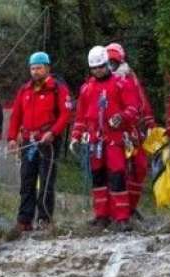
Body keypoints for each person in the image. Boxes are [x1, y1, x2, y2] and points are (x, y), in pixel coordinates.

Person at [71, 46, 139, 231]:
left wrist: (122, 117)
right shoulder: (87, 88)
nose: (98, 71)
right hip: (95, 140)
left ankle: (122, 217)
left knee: (117, 176)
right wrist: (75, 136)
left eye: (100, 66)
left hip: (115, 139)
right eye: (94, 68)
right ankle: (101, 215)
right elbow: (81, 116)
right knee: (98, 178)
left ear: (107, 64)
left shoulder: (121, 83)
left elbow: (133, 108)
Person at [7, 51, 72, 231]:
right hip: (28, 141)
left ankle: (44, 218)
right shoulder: (25, 90)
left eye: (39, 68)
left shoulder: (57, 88)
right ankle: (24, 219)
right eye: (32, 68)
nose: (35, 72)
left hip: (48, 142)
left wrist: (53, 132)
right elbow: (16, 115)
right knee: (26, 181)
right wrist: (12, 137)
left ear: (47, 68)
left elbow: (66, 114)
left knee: (46, 181)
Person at [107, 42, 155, 212]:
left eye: (114, 62)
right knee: (117, 171)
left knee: (139, 168)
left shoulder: (129, 78)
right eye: (109, 62)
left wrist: (149, 122)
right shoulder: (102, 82)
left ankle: (131, 208)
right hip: (113, 132)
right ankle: (116, 210)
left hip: (133, 130)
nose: (111, 66)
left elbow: (141, 101)